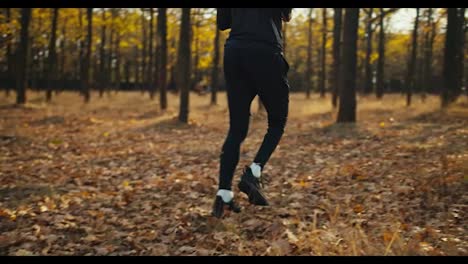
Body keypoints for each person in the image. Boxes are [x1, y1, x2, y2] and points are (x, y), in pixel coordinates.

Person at [212, 8, 293, 218]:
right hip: (265, 52)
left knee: (236, 130)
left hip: (235, 52)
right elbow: (286, 14)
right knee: (277, 122)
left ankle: (223, 194)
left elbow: (223, 23)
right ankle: (253, 174)